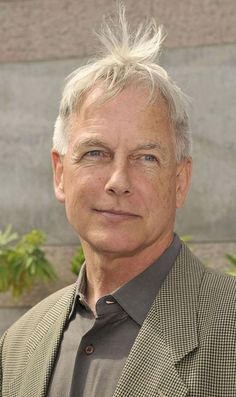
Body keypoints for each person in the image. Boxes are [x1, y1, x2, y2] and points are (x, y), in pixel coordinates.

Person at [0, 6, 236, 397]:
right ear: (60, 173)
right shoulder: (18, 346)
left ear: (180, 182)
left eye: (146, 157)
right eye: (95, 153)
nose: (118, 181)